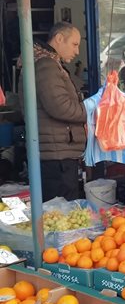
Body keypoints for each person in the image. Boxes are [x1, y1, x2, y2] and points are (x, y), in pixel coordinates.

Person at [19, 22, 86, 201]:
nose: (77, 51)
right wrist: (89, 111)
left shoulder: (48, 63)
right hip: (56, 156)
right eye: (74, 44)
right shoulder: (46, 65)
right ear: (59, 39)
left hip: (57, 152)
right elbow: (60, 106)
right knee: (61, 210)